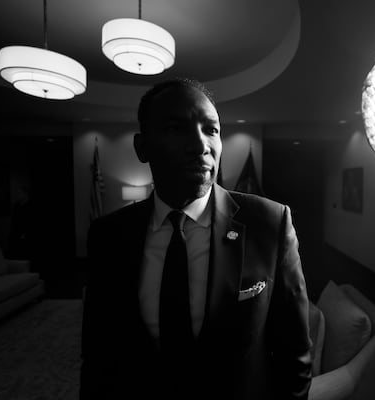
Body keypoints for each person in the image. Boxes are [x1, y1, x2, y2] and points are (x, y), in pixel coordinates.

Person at [80, 78, 312, 399]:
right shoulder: (109, 237)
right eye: (177, 128)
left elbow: (294, 355)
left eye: (211, 129)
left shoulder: (269, 223)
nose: (200, 144)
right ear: (142, 147)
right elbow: (98, 356)